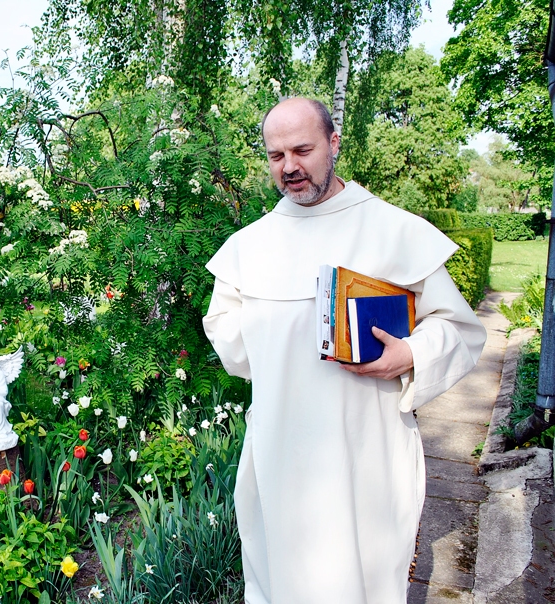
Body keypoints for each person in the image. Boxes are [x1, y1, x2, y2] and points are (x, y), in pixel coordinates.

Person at [202, 97, 487, 603]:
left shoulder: (392, 229)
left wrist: (412, 355)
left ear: (333, 143)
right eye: (275, 155)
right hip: (280, 450)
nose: (289, 166)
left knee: (360, 580)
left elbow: (459, 329)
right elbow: (228, 336)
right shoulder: (251, 244)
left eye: (302, 149)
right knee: (279, 578)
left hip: (365, 450)